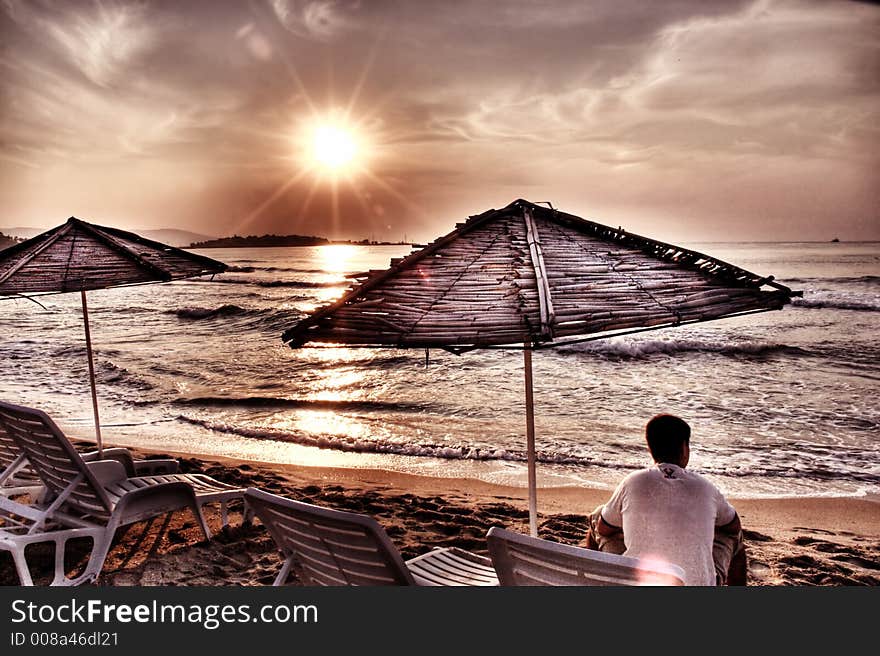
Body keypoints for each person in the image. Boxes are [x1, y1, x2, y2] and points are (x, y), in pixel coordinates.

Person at [587, 414, 746, 586]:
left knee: (598, 517)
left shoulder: (634, 481)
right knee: (734, 536)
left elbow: (603, 529)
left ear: (650, 448)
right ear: (685, 449)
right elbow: (734, 525)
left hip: (634, 584)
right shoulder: (705, 486)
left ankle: (591, 581)